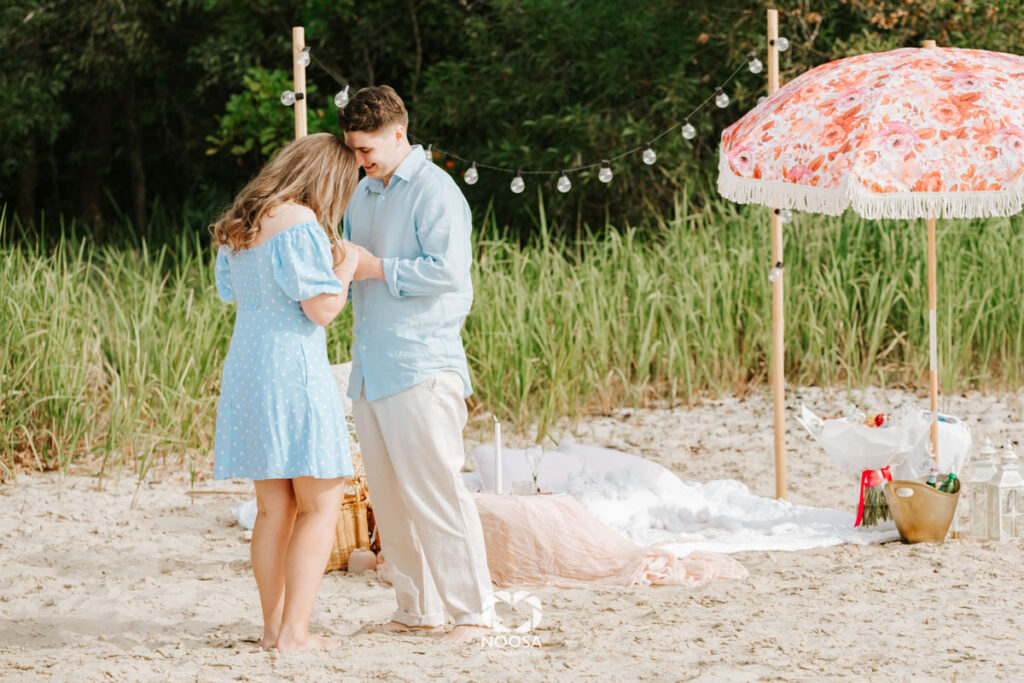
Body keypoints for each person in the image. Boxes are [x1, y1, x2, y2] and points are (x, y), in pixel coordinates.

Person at [339, 86, 495, 643]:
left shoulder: (437, 191)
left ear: (397, 133)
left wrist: (378, 268)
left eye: (367, 149)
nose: (360, 159)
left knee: (437, 492)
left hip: (423, 363)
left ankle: (475, 614)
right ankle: (416, 609)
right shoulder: (362, 195)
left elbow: (449, 272)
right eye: (354, 150)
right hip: (371, 365)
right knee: (389, 496)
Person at [210, 132, 361, 652]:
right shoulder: (300, 223)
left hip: (248, 369)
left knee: (274, 508)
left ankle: (273, 628)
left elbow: (232, 293)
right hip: (292, 371)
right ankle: (296, 633)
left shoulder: (242, 226)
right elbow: (319, 310)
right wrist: (345, 266)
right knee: (322, 503)